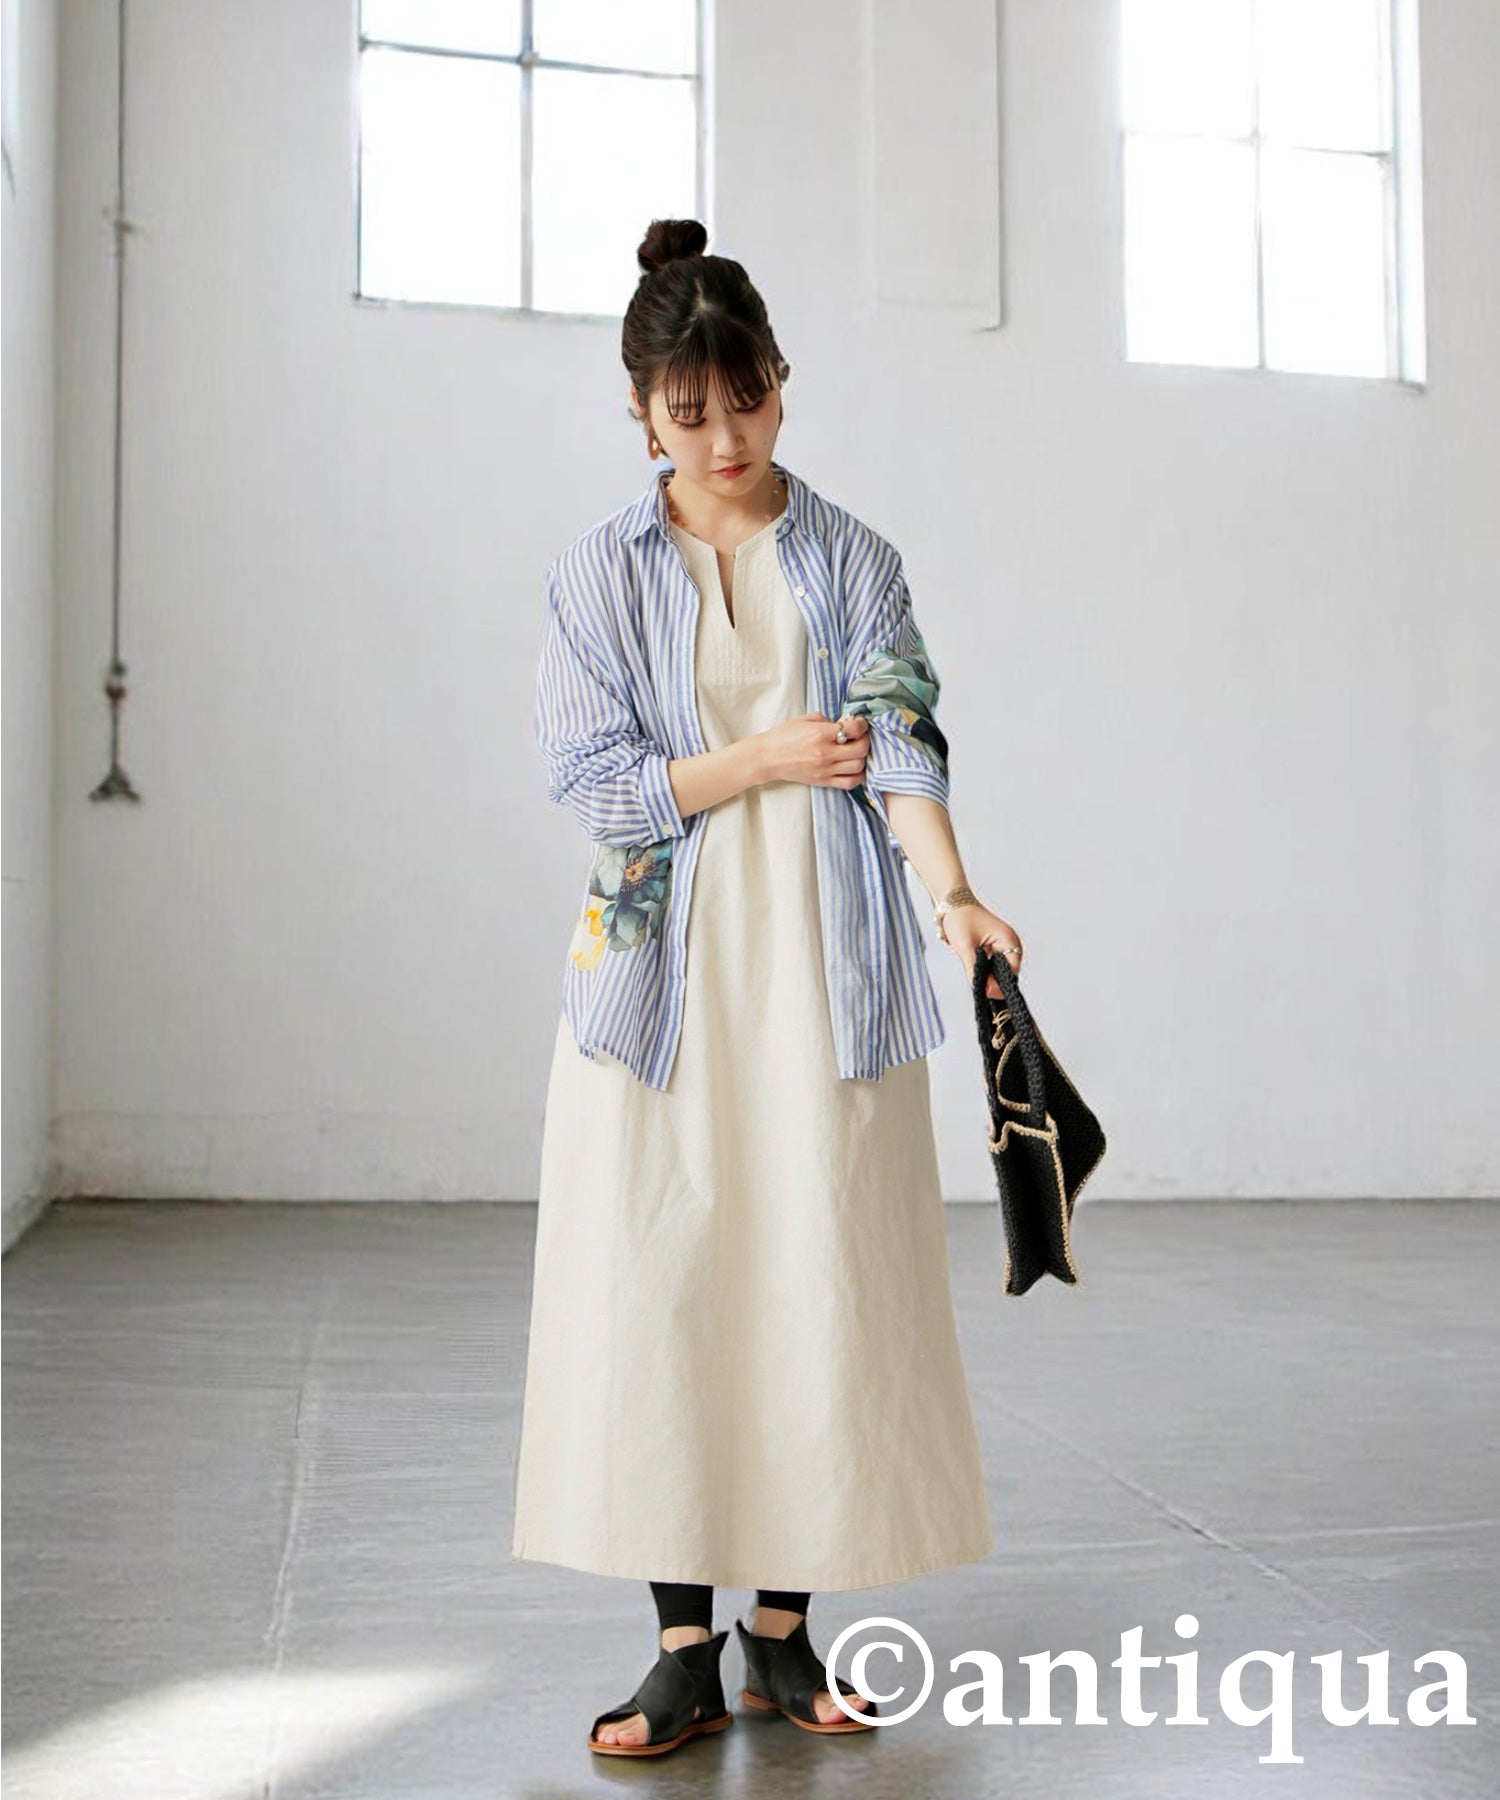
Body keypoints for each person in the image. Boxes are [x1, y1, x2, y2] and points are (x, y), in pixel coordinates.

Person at [511, 217, 1025, 1759]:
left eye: (748, 402)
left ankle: (782, 1642)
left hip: (829, 964)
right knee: (661, 1284)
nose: (726, 440)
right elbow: (594, 784)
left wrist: (955, 896)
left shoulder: (857, 558)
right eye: (690, 414)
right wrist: (765, 758)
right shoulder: (594, 573)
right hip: (656, 982)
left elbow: (904, 739)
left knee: (821, 1277)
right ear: (640, 414)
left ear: (782, 383)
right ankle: (682, 1648)